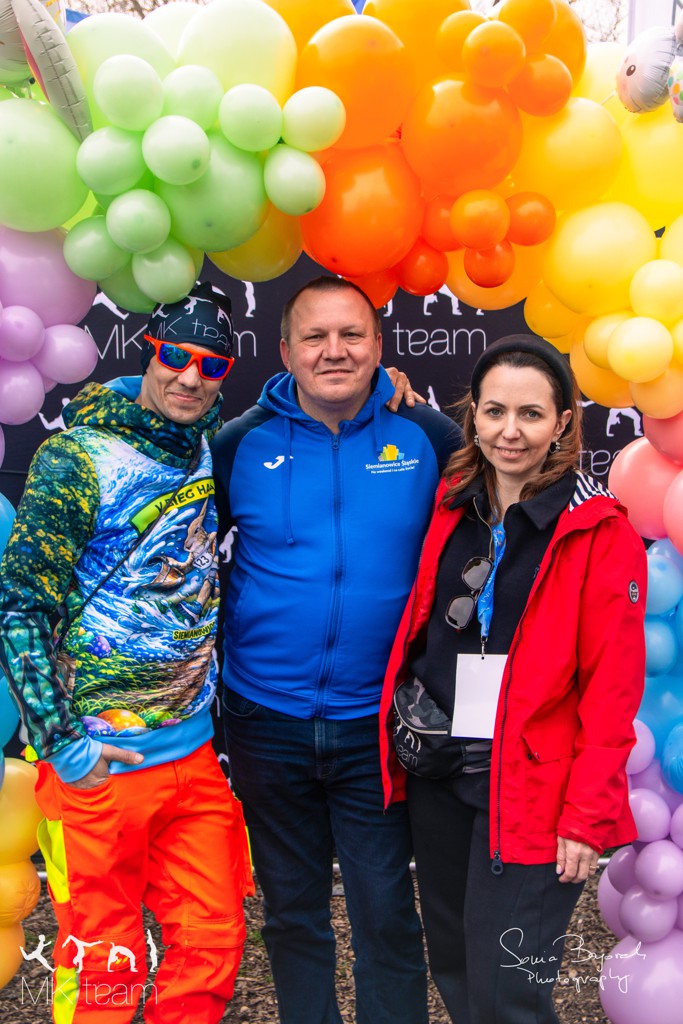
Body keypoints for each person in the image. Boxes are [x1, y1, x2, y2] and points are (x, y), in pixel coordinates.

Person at [211, 275, 463, 1024]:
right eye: (314, 337)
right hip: (263, 720)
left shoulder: (429, 438)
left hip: (374, 725)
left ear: (378, 346)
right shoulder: (238, 444)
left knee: (386, 915)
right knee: (292, 914)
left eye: (351, 334)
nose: (334, 351)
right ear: (284, 350)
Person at [0, 282, 254, 1024]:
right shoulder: (76, 457)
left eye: (211, 366)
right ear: (149, 351)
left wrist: (386, 389)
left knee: (211, 941)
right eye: (176, 357)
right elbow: (18, 607)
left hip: (192, 759)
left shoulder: (205, 445)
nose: (190, 378)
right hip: (98, 766)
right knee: (104, 962)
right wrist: (63, 745)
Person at [379, 334, 647, 1024]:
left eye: (531, 414)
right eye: (494, 411)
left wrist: (585, 818)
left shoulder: (597, 530)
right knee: (456, 969)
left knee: (508, 996)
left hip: (532, 793)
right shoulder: (451, 504)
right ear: (473, 415)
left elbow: (612, 690)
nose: (510, 431)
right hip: (442, 777)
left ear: (562, 422)